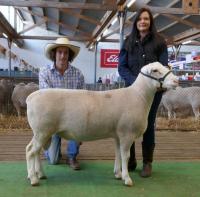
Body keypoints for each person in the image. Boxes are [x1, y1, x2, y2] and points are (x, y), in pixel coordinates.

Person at [118, 7, 168, 177]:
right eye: (140, 19)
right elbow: (121, 67)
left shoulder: (160, 42)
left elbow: (163, 67)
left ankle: (148, 162)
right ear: (136, 22)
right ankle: (130, 159)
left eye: (146, 19)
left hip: (152, 94)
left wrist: (148, 86)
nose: (143, 22)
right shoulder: (128, 41)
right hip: (130, 92)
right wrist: (136, 82)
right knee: (128, 125)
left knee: (148, 125)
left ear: (150, 21)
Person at [39, 37, 85, 170]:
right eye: (59, 52)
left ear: (69, 55)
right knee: (53, 160)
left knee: (79, 127)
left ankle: (72, 156)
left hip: (73, 119)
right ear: (54, 54)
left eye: (66, 52)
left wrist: (82, 129)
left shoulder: (78, 74)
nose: (63, 55)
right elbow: (45, 98)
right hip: (52, 118)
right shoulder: (44, 72)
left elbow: (82, 100)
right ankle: (52, 149)